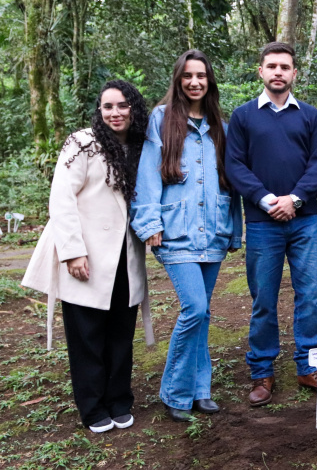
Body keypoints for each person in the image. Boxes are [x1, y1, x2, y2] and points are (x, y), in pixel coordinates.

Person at [22, 80, 154, 434]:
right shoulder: (82, 143)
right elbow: (61, 198)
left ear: (133, 109)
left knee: (120, 334)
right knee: (87, 335)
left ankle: (119, 400)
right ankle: (93, 407)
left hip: (125, 257)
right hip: (87, 256)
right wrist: (72, 252)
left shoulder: (141, 147)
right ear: (99, 111)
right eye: (108, 106)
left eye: (122, 106)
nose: (115, 113)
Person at [132, 50, 243, 421]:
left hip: (213, 232)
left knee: (204, 313)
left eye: (201, 76)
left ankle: (200, 389)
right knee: (193, 308)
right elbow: (148, 174)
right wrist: (150, 225)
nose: (194, 82)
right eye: (187, 76)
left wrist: (233, 229)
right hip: (175, 233)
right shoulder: (161, 119)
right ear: (178, 79)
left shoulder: (220, 126)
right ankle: (176, 393)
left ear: (209, 81)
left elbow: (229, 183)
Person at [225, 42, 317, 406]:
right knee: (263, 300)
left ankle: (308, 366)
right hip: (261, 223)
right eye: (271, 66)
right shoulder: (242, 117)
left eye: (284, 67)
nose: (277, 72)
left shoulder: (309, 116)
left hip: (304, 221)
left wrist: (294, 199)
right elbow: (235, 165)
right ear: (260, 71)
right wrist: (266, 199)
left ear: (294, 74)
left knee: (310, 296)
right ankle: (261, 373)